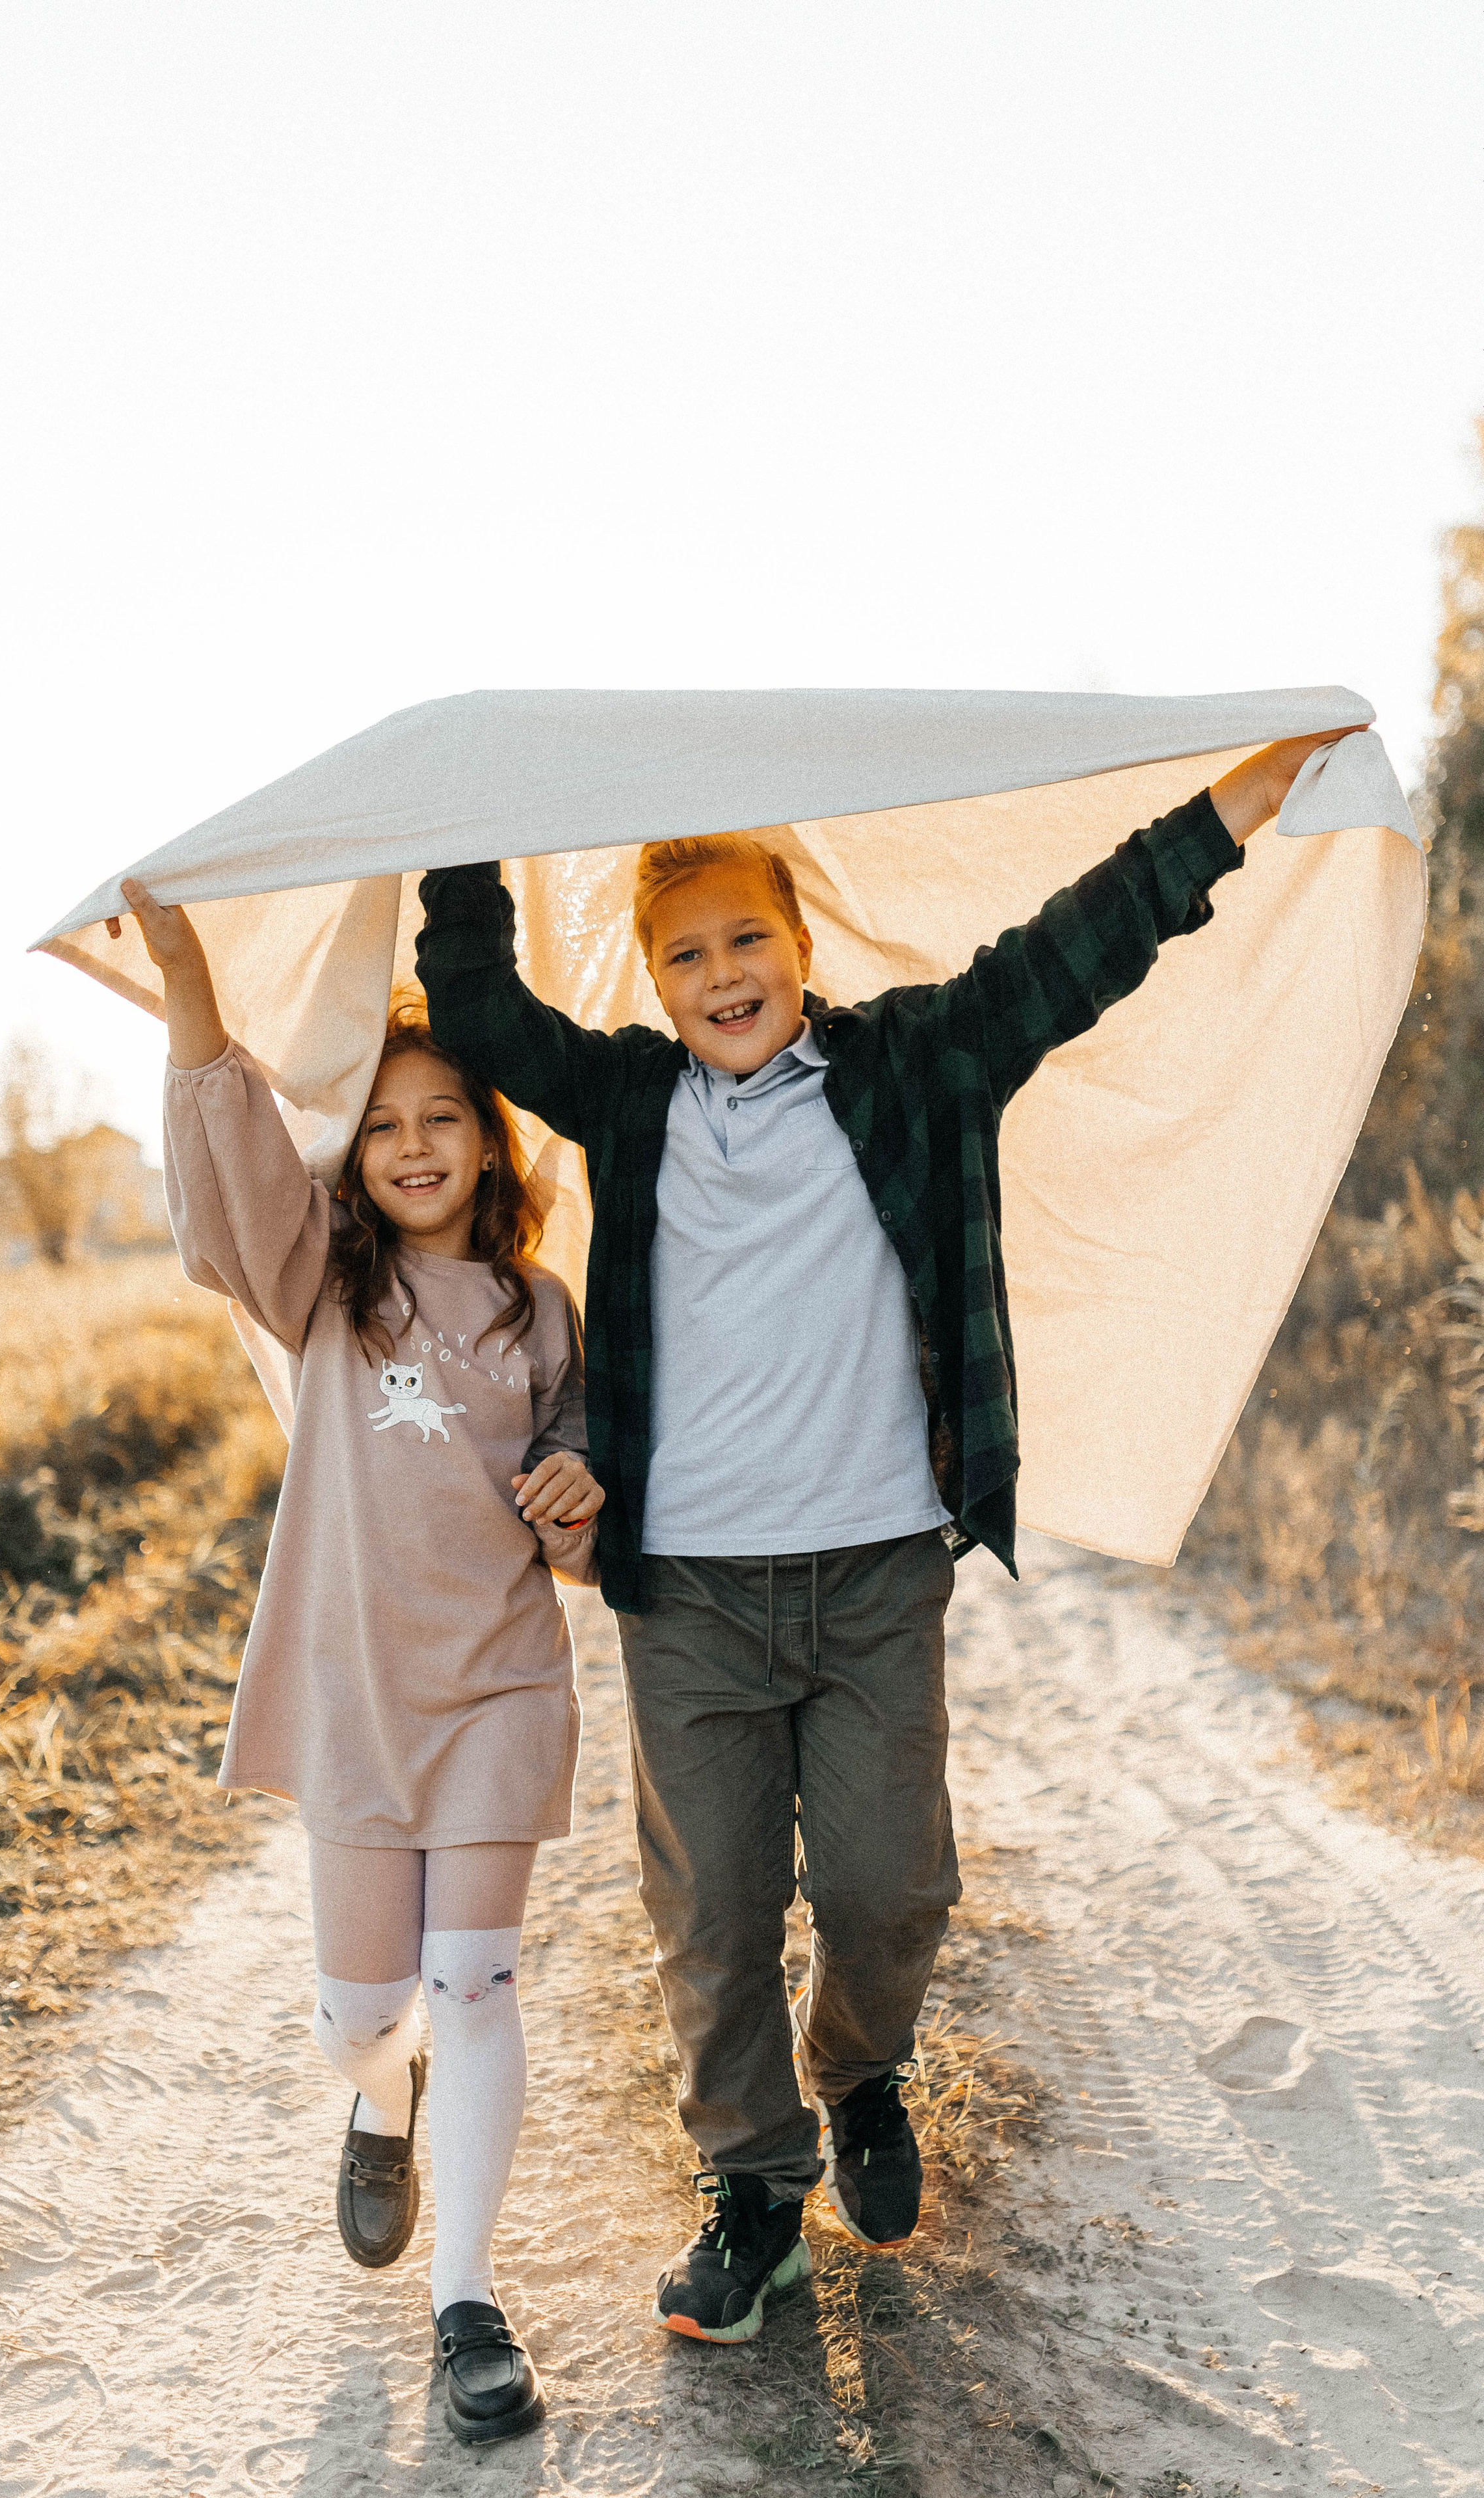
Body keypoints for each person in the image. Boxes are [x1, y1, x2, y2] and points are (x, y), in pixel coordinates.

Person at [413, 729, 1356, 2345]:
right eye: (684, 954)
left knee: (884, 1892)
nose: (721, 975)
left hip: (871, 1576)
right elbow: (484, 1013)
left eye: (746, 941)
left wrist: (1241, 799)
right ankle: (754, 2192)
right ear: (653, 979)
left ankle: (857, 2075)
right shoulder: (632, 1103)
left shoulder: (920, 1063)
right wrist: (465, 827)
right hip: (689, 1593)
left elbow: (1085, 942)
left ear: (801, 945)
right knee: (708, 1917)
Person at [109, 880, 604, 2445]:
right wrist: (191, 986)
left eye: (442, 1116)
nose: (410, 1144)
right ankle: (374, 2098)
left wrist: (581, 1500)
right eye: (383, 1122)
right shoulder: (325, 1292)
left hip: (496, 1688)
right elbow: (233, 1174)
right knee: (360, 2004)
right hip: (354, 1691)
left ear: (489, 1141)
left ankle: (465, 2297)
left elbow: (584, 1509)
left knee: (476, 1978)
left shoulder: (540, 1309)